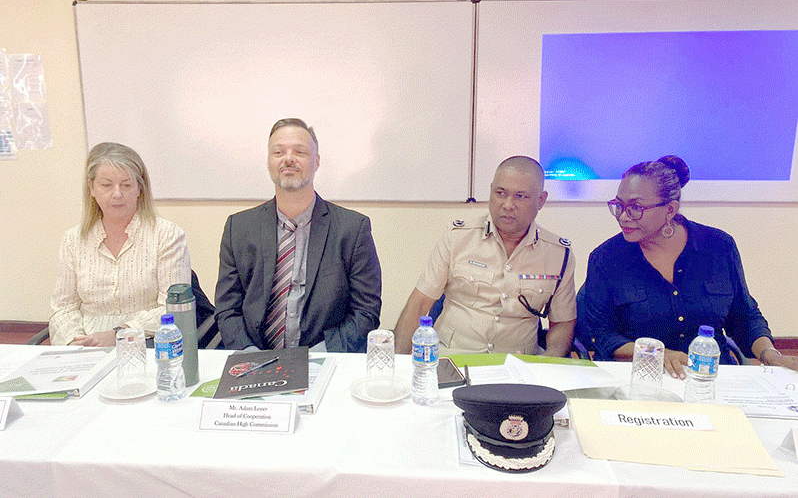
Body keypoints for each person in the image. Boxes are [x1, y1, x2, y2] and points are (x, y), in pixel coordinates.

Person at [583, 155, 798, 377]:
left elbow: (745, 318)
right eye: (619, 205)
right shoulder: (606, 258)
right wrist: (659, 353)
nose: (623, 217)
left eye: (635, 207)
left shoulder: (718, 247)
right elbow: (602, 336)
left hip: (709, 377)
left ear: (670, 209)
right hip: (640, 378)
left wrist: (771, 355)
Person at [215, 118, 381, 352]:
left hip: (325, 361)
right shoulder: (238, 228)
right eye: (279, 152)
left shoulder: (352, 229)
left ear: (317, 162)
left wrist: (322, 355)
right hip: (257, 361)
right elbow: (227, 309)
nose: (288, 158)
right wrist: (249, 354)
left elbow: (367, 311)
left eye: (300, 151)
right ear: (269, 162)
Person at [394, 156, 576, 356]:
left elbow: (562, 323)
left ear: (541, 200)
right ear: (491, 191)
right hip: (451, 358)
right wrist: (400, 363)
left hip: (519, 364)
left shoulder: (558, 254)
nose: (508, 204)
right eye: (500, 193)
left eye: (521, 196)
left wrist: (549, 363)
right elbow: (419, 303)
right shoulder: (457, 238)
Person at [49, 142, 191, 346]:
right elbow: (63, 307)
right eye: (106, 185)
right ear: (91, 188)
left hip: (149, 343)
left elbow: (172, 308)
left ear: (139, 188)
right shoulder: (73, 239)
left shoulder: (166, 234)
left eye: (126, 185)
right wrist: (75, 342)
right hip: (86, 346)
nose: (117, 194)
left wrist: (119, 334)